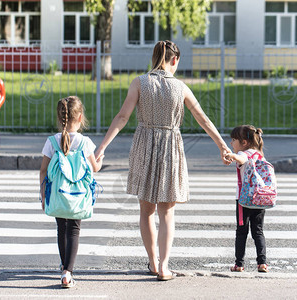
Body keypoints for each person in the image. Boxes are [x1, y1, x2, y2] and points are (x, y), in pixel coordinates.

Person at [94, 40, 231, 281]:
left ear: (155, 56)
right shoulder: (181, 88)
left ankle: (153, 262)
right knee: (167, 211)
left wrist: (102, 146)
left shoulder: (140, 83)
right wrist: (223, 146)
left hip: (145, 144)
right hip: (170, 147)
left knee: (146, 210)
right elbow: (204, 120)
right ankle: (165, 266)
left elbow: (123, 116)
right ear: (174, 60)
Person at [39, 96, 103, 288]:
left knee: (61, 228)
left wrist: (43, 194)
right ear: (81, 117)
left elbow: (43, 170)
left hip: (58, 194)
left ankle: (63, 265)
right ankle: (68, 272)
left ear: (59, 119)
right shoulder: (85, 143)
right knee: (74, 230)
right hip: (78, 196)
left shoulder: (51, 142)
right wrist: (100, 160)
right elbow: (94, 168)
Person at [225, 125, 269, 273]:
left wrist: (232, 156)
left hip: (244, 200)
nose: (232, 143)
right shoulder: (259, 154)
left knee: (242, 232)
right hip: (260, 198)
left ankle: (239, 264)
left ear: (244, 142)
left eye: (234, 140)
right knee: (258, 231)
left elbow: (241, 158)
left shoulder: (245, 154)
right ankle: (262, 263)